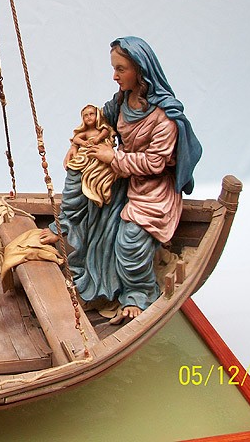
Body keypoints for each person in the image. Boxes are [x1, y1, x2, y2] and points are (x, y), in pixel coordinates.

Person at [41, 37, 202, 321]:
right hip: (122, 175)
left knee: (129, 243)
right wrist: (77, 145)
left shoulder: (164, 118)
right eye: (114, 68)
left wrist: (113, 158)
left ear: (140, 70)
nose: (114, 76)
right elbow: (99, 121)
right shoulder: (122, 101)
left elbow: (155, 163)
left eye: (121, 69)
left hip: (152, 190)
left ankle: (138, 292)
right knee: (79, 168)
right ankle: (64, 226)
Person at [63, 104, 116, 207]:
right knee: (75, 165)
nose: (89, 117)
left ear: (97, 116)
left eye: (92, 114)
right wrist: (82, 143)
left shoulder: (101, 129)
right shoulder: (86, 132)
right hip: (87, 155)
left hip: (100, 155)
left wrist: (98, 138)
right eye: (85, 115)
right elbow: (76, 138)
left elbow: (106, 131)